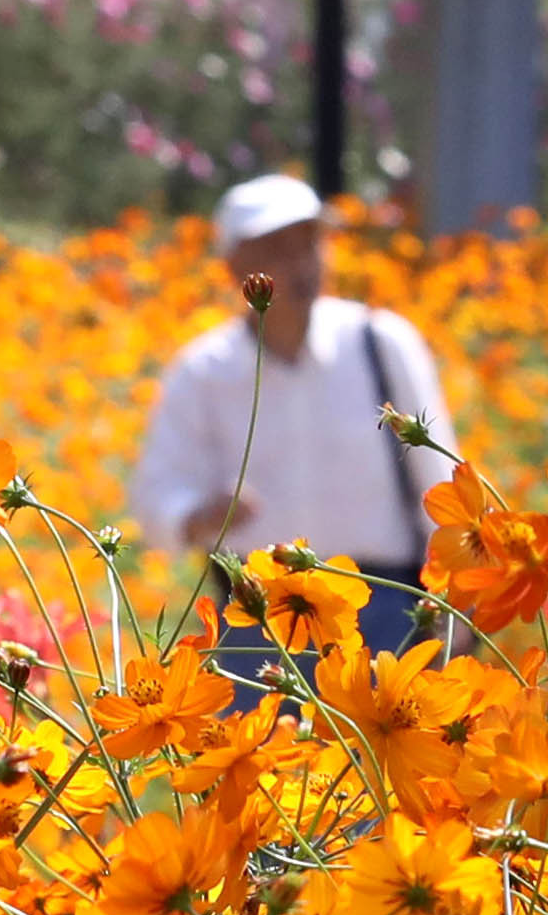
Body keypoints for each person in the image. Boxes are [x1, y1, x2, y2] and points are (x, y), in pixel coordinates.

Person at [129, 175, 462, 677]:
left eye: (309, 243)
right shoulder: (202, 371)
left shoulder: (383, 344)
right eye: (277, 248)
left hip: (387, 614)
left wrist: (456, 618)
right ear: (233, 267)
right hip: (259, 623)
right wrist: (200, 516)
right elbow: (154, 497)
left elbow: (444, 491)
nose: (300, 263)